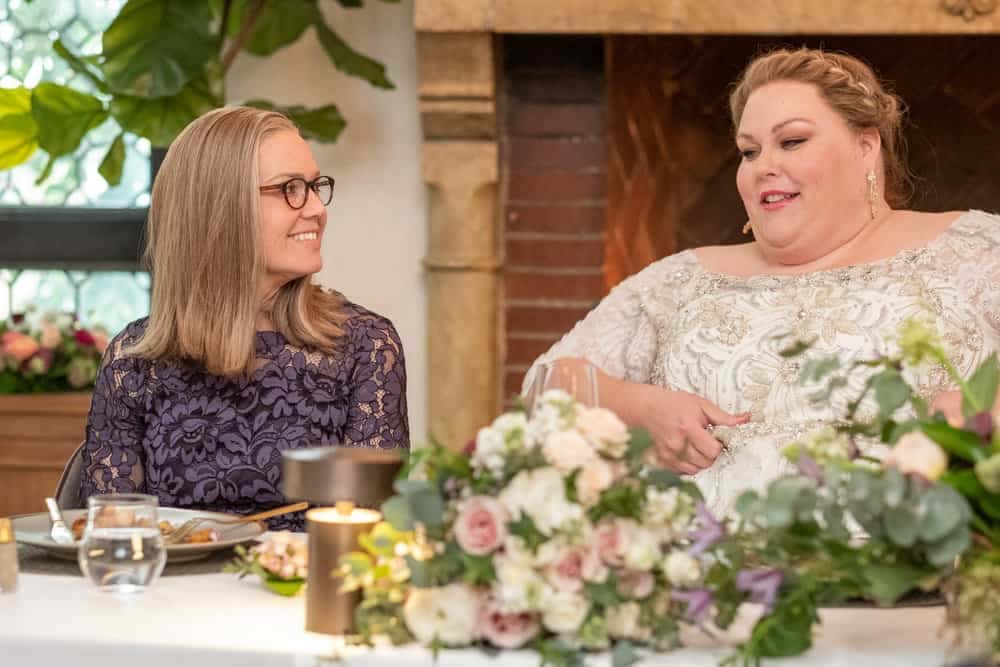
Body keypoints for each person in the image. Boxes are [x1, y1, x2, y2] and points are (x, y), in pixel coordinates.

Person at [526, 48, 1000, 517]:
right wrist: (638, 406)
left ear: (865, 147)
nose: (762, 165)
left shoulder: (973, 247)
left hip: (905, 552)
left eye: (791, 141)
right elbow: (542, 390)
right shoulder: (680, 280)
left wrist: (983, 414)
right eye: (749, 151)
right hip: (702, 556)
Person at [80, 107, 409, 530]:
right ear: (220, 209)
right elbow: (112, 539)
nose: (316, 209)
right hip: (171, 576)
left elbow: (372, 540)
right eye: (290, 189)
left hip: (307, 576)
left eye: (314, 187)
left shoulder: (367, 347)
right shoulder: (132, 362)